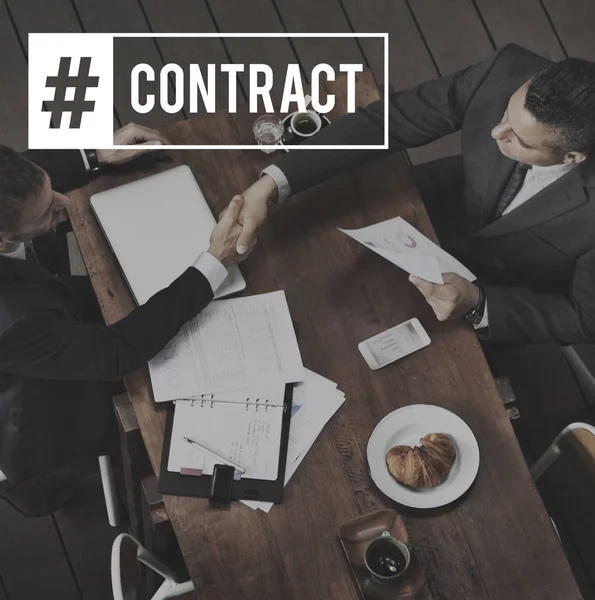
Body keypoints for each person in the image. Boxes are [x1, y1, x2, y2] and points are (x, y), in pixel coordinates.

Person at [228, 44, 595, 345]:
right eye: (505, 115)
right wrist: (274, 182)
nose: (497, 132)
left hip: (495, 296)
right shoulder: (505, 71)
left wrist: (478, 302)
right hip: (423, 211)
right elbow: (393, 120)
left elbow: (582, 318)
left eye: (517, 138)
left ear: (572, 157)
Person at [0, 123, 248, 515]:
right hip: (43, 411)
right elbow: (115, 353)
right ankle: (37, 492)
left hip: (43, 302)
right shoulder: (13, 323)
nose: (64, 202)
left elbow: (18, 176)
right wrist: (213, 264)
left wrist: (94, 154)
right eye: (48, 210)